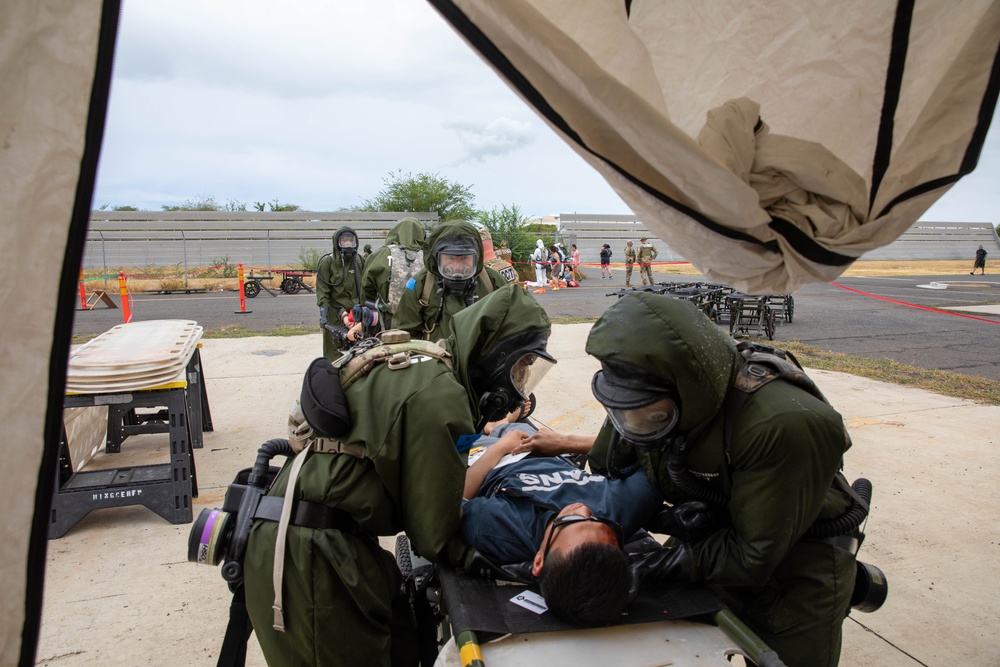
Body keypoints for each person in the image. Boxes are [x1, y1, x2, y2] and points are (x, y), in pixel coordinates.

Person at [243, 284, 556, 667]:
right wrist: (511, 558)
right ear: (492, 355)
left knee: (408, 645)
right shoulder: (440, 395)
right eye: (519, 367)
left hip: (334, 543)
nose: (518, 383)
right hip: (309, 558)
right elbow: (434, 533)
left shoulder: (426, 368)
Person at [585, 293, 857, 667]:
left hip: (796, 566)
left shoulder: (782, 423)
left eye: (650, 413)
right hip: (713, 540)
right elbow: (609, 468)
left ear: (689, 385)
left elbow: (754, 553)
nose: (634, 423)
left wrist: (654, 567)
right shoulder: (642, 395)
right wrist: (662, 519)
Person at [461, 428, 662, 626]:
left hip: (492, 458)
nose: (583, 509)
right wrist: (566, 442)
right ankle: (501, 423)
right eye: (598, 519)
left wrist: (500, 447)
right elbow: (659, 449)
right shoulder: (621, 509)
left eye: (571, 522)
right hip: (549, 448)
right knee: (510, 423)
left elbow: (453, 503)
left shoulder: (502, 528)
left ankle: (499, 425)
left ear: (539, 560)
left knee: (481, 428)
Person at [393, 219, 508, 342]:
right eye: (450, 257)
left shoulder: (492, 281)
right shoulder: (420, 283)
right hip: (437, 359)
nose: (457, 267)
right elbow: (404, 334)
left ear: (477, 257)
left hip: (483, 359)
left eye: (464, 258)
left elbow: (511, 327)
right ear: (437, 257)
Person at [360, 217, 427, 328]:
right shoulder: (428, 257)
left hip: (385, 321)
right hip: (419, 324)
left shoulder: (381, 254)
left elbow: (366, 288)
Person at [316, 227, 365, 360]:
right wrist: (324, 317)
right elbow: (323, 292)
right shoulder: (327, 263)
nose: (348, 244)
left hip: (356, 313)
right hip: (335, 314)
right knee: (333, 353)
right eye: (344, 241)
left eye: (351, 240)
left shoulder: (360, 261)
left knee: (361, 351)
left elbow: (367, 287)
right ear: (337, 242)